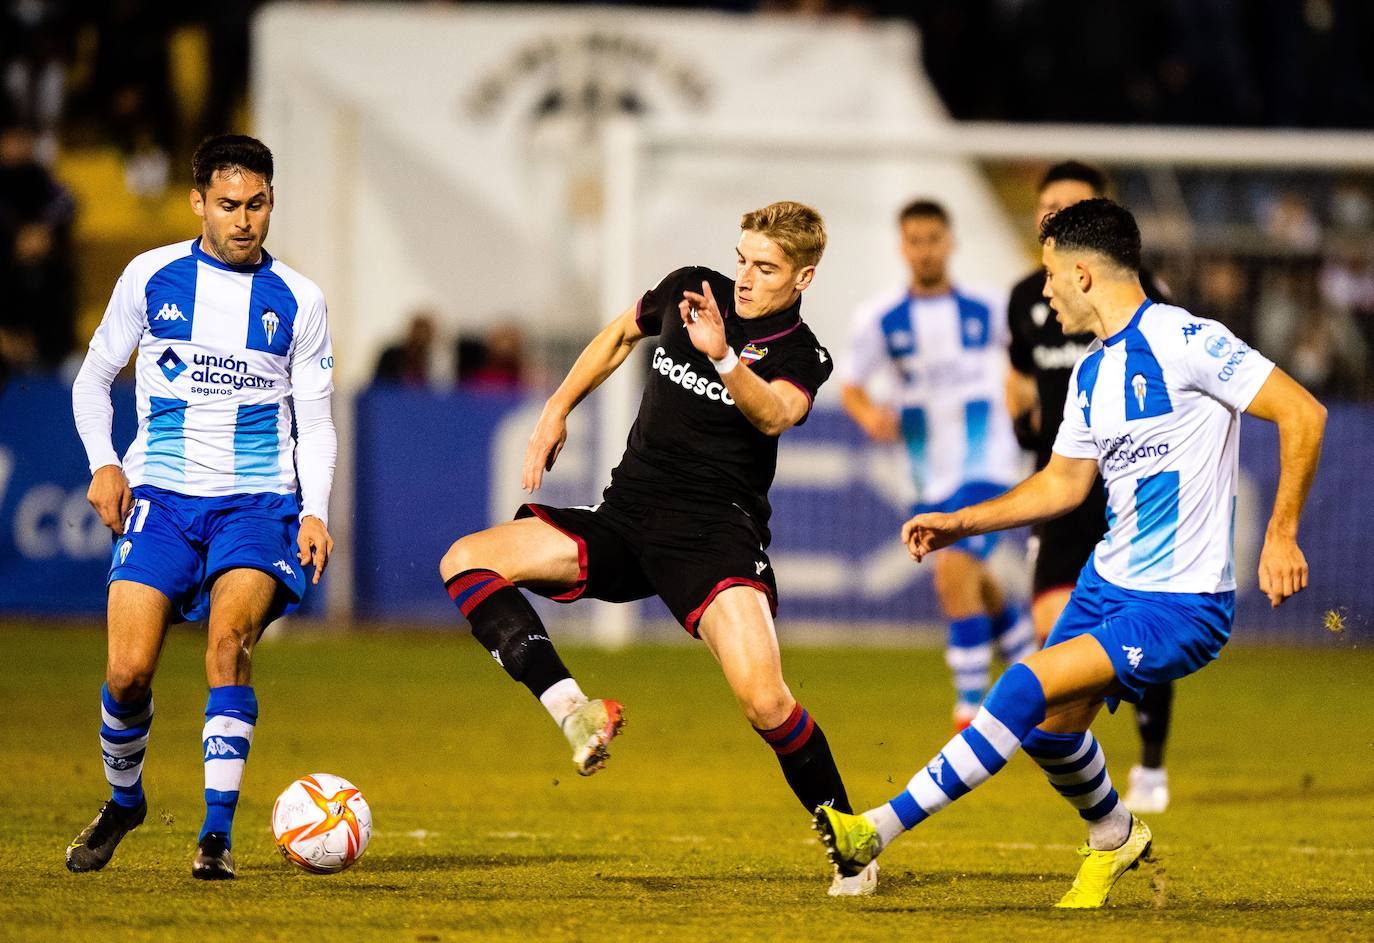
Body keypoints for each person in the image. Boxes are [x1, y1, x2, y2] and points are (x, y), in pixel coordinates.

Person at [815, 198, 1324, 908]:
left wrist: (1281, 532)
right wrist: (961, 523)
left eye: (1051, 274)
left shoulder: (1186, 339)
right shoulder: (1089, 374)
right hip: (1104, 582)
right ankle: (1115, 834)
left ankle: (875, 827)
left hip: (1180, 605)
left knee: (1022, 685)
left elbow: (1304, 411)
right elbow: (1062, 483)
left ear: (1083, 274)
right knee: (1050, 736)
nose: (1043, 290)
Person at [439, 201, 876, 896]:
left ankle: (850, 838)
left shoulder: (801, 352)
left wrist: (725, 357)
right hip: (627, 518)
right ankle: (573, 709)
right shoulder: (690, 289)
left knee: (766, 702)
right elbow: (617, 335)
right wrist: (555, 410)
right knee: (467, 559)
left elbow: (777, 414)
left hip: (714, 538)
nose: (745, 278)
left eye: (765, 268)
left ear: (804, 277)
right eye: (741, 259)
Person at [66, 134, 337, 880]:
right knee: (126, 672)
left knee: (228, 645)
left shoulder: (300, 300)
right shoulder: (150, 276)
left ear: (271, 203)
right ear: (198, 203)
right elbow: (92, 382)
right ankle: (125, 802)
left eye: (257, 204)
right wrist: (104, 462)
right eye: (228, 205)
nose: (244, 220)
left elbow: (314, 424)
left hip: (258, 506)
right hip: (162, 497)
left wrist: (315, 511)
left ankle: (215, 836)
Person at [1005, 161, 1177, 813]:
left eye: (1065, 206)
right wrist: (1021, 417)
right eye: (1044, 204)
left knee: (1142, 629)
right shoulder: (1026, 296)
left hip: (1126, 489)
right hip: (1059, 483)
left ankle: (1150, 764)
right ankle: (1094, 786)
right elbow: (1017, 372)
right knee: (1059, 638)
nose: (1050, 215)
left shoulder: (1146, 299)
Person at [840, 199, 1033, 731]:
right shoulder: (880, 319)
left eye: (933, 238)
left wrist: (1025, 398)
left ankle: (972, 707)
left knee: (952, 569)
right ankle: (1021, 648)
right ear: (903, 247)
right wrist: (867, 414)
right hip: (926, 473)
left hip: (988, 462)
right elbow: (852, 384)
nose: (925, 249)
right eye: (915, 240)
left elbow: (1026, 360)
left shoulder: (989, 308)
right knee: (968, 574)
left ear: (950, 242)